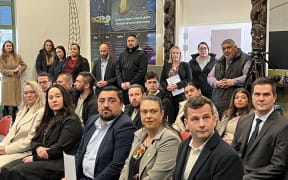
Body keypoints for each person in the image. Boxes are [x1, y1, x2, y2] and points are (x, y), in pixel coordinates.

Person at [0, 84, 83, 180]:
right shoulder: (49, 118)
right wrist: (38, 147)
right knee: (6, 169)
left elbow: (60, 148)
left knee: (16, 171)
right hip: (43, 157)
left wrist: (36, 158)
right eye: (51, 98)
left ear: (65, 98)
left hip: (60, 162)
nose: (54, 100)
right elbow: (35, 139)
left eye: (58, 96)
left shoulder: (72, 120)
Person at [173, 96, 243, 180]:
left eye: (206, 117)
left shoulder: (228, 157)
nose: (201, 124)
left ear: (214, 120)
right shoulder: (183, 146)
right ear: (186, 123)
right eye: (195, 119)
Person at [232, 77, 288, 180]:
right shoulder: (243, 121)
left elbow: (278, 166)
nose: (261, 99)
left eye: (266, 94)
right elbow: (234, 152)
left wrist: (244, 178)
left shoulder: (283, 126)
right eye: (257, 94)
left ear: (274, 97)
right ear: (252, 96)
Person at [75, 86, 135, 180]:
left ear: (121, 104)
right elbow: (80, 150)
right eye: (102, 101)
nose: (106, 105)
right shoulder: (92, 120)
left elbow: (117, 165)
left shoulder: (125, 126)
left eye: (112, 101)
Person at [120, 96, 181, 180]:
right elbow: (127, 167)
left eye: (153, 111)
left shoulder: (170, 139)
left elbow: (157, 177)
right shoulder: (139, 134)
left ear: (162, 114)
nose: (148, 116)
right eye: (144, 112)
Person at [0, 81, 45, 169]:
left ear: (38, 93)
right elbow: (11, 133)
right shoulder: (23, 110)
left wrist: (6, 150)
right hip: (11, 147)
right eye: (26, 93)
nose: (29, 95)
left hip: (24, 151)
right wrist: (2, 147)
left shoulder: (41, 111)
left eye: (32, 92)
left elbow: (29, 141)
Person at [208, 39, 250, 118]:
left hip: (234, 103)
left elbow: (248, 77)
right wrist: (216, 83)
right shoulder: (219, 61)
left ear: (235, 48)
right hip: (216, 101)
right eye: (224, 49)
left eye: (229, 47)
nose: (226, 50)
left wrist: (233, 82)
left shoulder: (245, 59)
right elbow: (210, 77)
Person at [160, 46, 192, 124]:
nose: (175, 55)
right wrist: (166, 87)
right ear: (171, 55)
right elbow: (162, 80)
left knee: (181, 117)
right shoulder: (167, 65)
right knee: (171, 118)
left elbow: (189, 79)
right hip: (169, 95)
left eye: (177, 53)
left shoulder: (185, 65)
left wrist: (178, 85)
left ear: (180, 54)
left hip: (182, 95)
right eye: (173, 53)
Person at [116, 34, 148, 104]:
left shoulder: (142, 54)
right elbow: (118, 70)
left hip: (136, 88)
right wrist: (121, 83)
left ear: (136, 42)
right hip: (123, 88)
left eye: (132, 41)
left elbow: (142, 71)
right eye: (128, 41)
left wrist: (131, 83)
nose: (130, 42)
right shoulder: (122, 54)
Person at [0, 40, 27, 121]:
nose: (9, 47)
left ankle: (15, 121)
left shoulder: (17, 56)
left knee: (15, 104)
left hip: (16, 82)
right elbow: (2, 70)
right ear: (4, 47)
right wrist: (13, 71)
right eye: (7, 46)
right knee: (6, 105)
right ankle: (5, 122)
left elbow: (24, 65)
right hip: (6, 82)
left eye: (10, 46)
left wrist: (20, 69)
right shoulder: (1, 57)